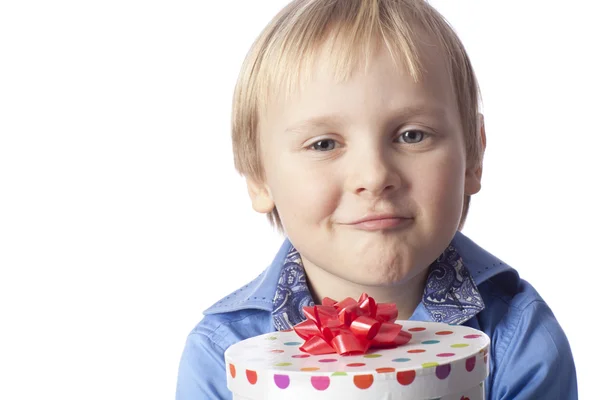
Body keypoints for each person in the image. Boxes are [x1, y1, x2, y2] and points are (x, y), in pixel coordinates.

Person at [176, 0, 578, 398]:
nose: (374, 176)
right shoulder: (220, 354)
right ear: (258, 177)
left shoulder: (519, 338)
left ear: (474, 155)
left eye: (412, 135)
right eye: (323, 143)